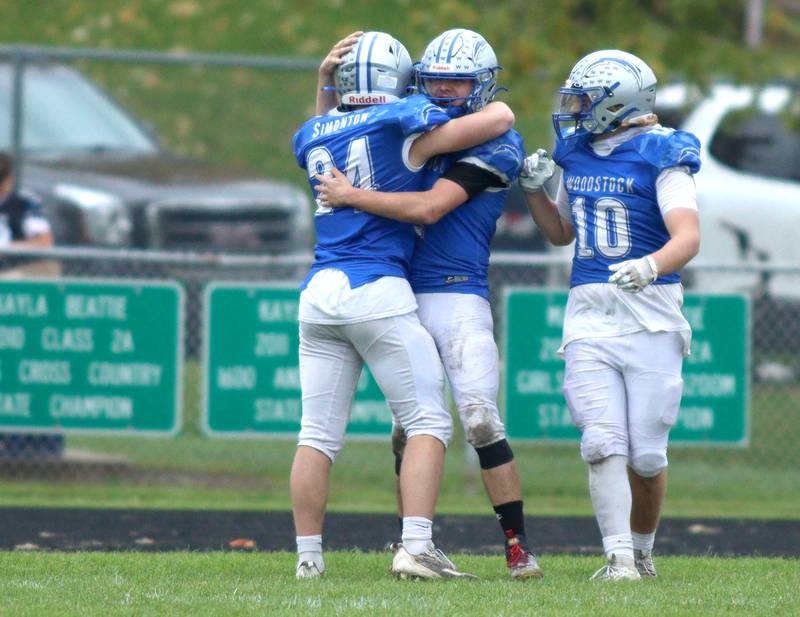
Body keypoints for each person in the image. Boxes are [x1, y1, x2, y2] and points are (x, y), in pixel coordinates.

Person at [314, 28, 543, 580]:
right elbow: (329, 131)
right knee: (408, 425)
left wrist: (351, 196)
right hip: (398, 288)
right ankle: (413, 541)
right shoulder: (405, 118)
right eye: (434, 79)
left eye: (456, 81)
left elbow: (432, 207)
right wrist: (326, 82)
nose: (442, 91)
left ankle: (516, 547)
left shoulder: (493, 140)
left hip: (457, 289)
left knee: (481, 420)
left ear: (480, 85)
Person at [518, 50, 701, 580]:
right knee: (601, 441)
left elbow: (687, 237)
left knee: (645, 455)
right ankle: (617, 558)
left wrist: (649, 265)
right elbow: (561, 233)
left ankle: (642, 551)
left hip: (651, 312)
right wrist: (533, 192)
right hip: (590, 311)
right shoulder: (575, 151)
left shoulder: (663, 151)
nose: (575, 109)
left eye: (586, 99)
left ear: (619, 102)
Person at [0, 151, 62, 460]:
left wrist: (7, 248)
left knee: (30, 370)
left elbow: (44, 243)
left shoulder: (22, 204)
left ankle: (39, 443)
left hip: (21, 304)